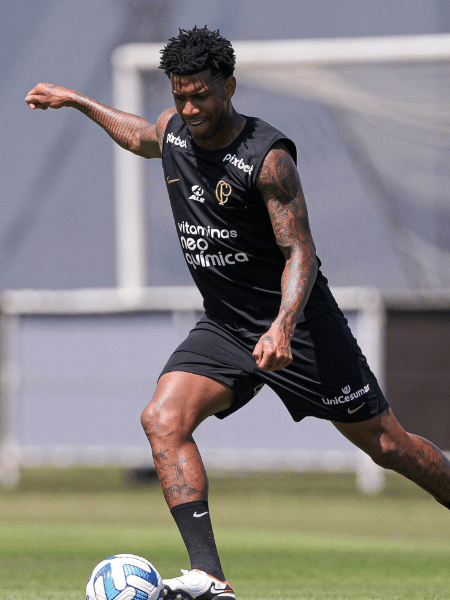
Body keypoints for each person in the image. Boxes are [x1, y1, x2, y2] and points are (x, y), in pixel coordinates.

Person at [26, 25, 450, 600]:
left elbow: (300, 250)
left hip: (297, 327)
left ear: (229, 86)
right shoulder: (176, 132)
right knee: (162, 421)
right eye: (179, 95)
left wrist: (282, 326)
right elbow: (142, 136)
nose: (189, 107)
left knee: (389, 446)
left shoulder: (267, 160)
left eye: (201, 94)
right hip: (226, 324)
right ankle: (210, 577)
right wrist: (76, 100)